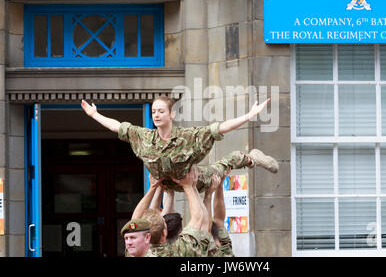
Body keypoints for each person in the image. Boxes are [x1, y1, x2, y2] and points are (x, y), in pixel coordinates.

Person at [81, 96, 273, 191]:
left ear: (171, 114)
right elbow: (118, 127)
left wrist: (250, 115)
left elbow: (222, 128)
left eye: (161, 111)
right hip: (166, 186)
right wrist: (94, 114)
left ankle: (251, 158)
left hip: (194, 182)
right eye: (154, 111)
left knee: (224, 165)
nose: (156, 114)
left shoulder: (189, 136)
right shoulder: (144, 137)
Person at [146, 166, 217, 257]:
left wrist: (157, 187)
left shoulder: (146, 251)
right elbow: (201, 220)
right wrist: (190, 187)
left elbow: (201, 221)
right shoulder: (185, 249)